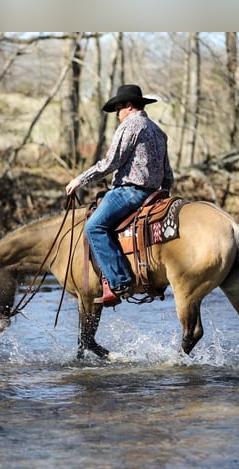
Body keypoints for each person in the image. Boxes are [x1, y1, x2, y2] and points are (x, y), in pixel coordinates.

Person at [66, 84, 174, 307]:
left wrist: (80, 179)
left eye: (118, 108)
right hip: (153, 194)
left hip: (130, 191)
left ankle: (120, 281)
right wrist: (164, 193)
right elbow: (167, 172)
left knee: (94, 227)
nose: (117, 114)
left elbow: (111, 163)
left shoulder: (130, 126)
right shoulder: (158, 131)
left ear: (129, 106)